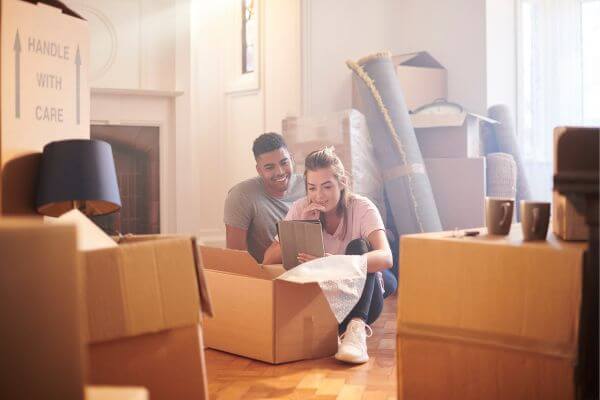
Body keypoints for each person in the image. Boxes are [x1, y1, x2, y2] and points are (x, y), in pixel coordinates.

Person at [263, 147, 397, 364]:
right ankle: (342, 328)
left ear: (342, 181)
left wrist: (333, 262)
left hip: (362, 299)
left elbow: (385, 258)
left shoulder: (362, 207)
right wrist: (301, 226)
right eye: (312, 188)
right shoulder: (301, 208)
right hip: (323, 301)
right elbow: (267, 260)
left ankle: (356, 330)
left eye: (327, 186)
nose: (318, 196)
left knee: (360, 246)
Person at [224, 132, 305, 262]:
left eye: (284, 162)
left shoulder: (309, 186)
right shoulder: (241, 196)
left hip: (309, 270)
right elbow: (236, 258)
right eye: (269, 167)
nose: (280, 172)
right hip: (266, 274)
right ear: (259, 170)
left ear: (291, 159)